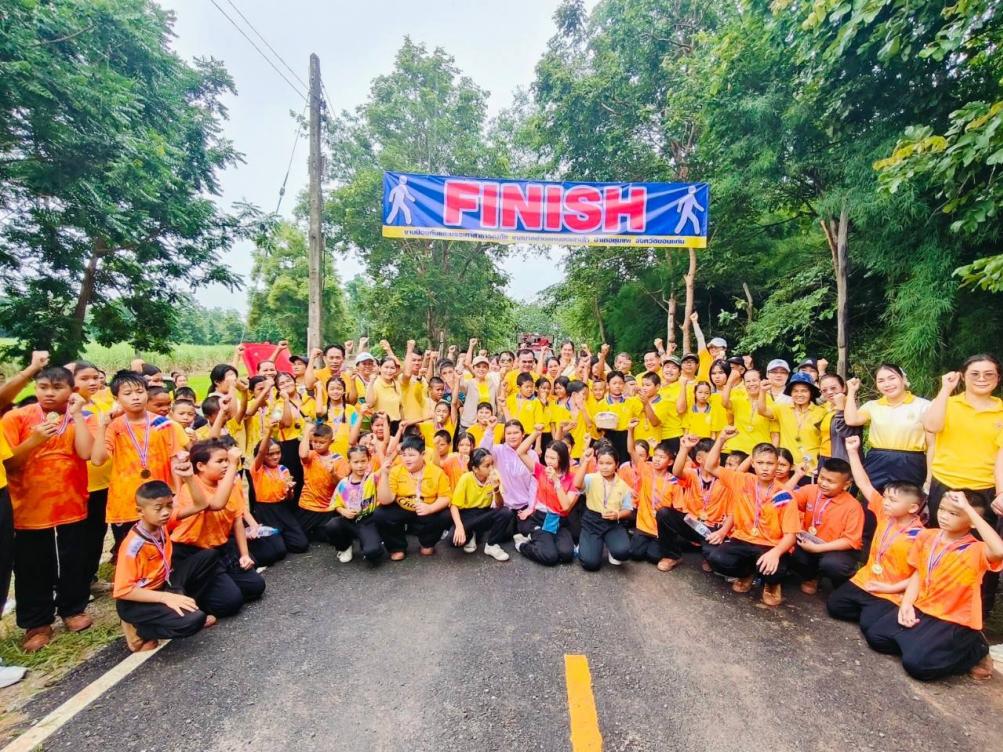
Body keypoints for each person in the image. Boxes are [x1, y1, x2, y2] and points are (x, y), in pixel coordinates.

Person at [861, 491, 1003, 681]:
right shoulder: (927, 536)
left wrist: (968, 508)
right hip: (924, 607)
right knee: (876, 637)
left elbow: (999, 550)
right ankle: (925, 644)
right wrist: (906, 604)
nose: (944, 516)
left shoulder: (978, 549)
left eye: (953, 513)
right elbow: (919, 573)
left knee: (917, 666)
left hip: (955, 619)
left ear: (972, 521)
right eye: (942, 509)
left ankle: (975, 650)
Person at [2, 365, 94, 652]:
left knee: (74, 558)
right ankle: (37, 622)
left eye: (57, 388)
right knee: (32, 565)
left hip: (71, 502)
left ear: (72, 390)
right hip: (29, 506)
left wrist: (77, 415)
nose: (49, 393)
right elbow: (8, 464)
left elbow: (86, 453)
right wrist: (34, 440)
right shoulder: (16, 418)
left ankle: (73, 608)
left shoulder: (80, 416)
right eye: (43, 387)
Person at [923, 355, 1003, 617]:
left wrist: (1001, 492)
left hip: (984, 490)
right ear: (963, 376)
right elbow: (931, 425)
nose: (982, 379)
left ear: (998, 378)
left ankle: (978, 610)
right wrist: (945, 389)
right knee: (938, 542)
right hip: (946, 484)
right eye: (975, 374)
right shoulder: (949, 402)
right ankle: (931, 598)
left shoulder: (1001, 411)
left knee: (983, 552)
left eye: (989, 374)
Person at [827, 436, 925, 631]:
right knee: (835, 606)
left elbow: (920, 575)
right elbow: (865, 484)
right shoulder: (884, 513)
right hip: (867, 580)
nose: (886, 502)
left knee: (868, 624)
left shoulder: (921, 536)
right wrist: (853, 452)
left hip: (891, 590)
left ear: (913, 508)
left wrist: (892, 588)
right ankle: (872, 612)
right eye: (886, 497)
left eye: (893, 501)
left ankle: (878, 613)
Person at [114, 476, 219, 652]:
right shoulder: (132, 546)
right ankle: (142, 631)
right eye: (158, 508)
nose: (165, 512)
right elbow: (122, 591)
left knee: (209, 556)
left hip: (164, 583)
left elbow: (201, 504)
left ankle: (186, 605)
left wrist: (188, 477)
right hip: (138, 601)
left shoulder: (162, 523)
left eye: (169, 505)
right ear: (140, 511)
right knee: (194, 621)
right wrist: (165, 598)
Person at [703, 428, 801, 607]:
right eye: (760, 463)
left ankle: (772, 584)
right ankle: (747, 573)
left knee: (775, 570)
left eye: (770, 463)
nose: (765, 467)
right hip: (743, 540)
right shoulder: (742, 480)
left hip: (771, 545)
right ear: (753, 463)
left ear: (777, 464)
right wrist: (721, 438)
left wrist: (775, 553)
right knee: (716, 558)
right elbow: (710, 467)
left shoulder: (784, 494)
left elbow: (791, 536)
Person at [90, 370, 179, 559]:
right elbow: (97, 460)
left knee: (161, 551)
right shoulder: (114, 426)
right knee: (130, 552)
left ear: (147, 392)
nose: (135, 397)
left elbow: (175, 459)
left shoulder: (163, 424)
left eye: (139, 392)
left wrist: (178, 494)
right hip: (126, 501)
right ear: (116, 398)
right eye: (128, 393)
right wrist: (103, 426)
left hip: (160, 499)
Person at [171, 440, 265, 617]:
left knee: (256, 586)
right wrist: (233, 465)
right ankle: (193, 599)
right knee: (231, 603)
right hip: (194, 552)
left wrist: (244, 555)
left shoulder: (228, 484)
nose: (225, 465)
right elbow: (216, 504)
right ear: (200, 466)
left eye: (227, 460)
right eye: (220, 461)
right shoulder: (191, 487)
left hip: (220, 548)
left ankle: (221, 585)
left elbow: (237, 520)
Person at [843, 364, 931, 490]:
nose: (887, 384)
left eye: (892, 378)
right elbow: (852, 420)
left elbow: (932, 445)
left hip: (910, 463)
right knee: (872, 498)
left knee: (906, 499)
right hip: (877, 460)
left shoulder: (924, 406)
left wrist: (929, 478)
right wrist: (851, 391)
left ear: (903, 379)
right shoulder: (872, 405)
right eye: (881, 381)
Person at [788, 458, 864, 594]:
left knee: (834, 565)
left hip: (834, 549)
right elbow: (783, 499)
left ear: (846, 485)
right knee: (788, 549)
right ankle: (811, 577)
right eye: (821, 477)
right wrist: (797, 476)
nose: (823, 483)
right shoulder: (810, 490)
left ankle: (843, 586)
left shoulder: (853, 507)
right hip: (808, 542)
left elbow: (850, 541)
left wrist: (818, 548)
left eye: (830, 481)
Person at [374, 433, 452, 560]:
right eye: (404, 455)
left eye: (411, 455)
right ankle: (397, 547)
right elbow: (385, 500)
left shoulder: (437, 472)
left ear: (423, 454)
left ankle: (427, 542)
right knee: (380, 513)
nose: (407, 459)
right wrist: (384, 474)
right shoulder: (396, 471)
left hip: (426, 509)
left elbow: (445, 497)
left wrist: (430, 508)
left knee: (446, 514)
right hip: (402, 507)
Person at [662, 435, 732, 572]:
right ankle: (672, 556)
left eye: (718, 456)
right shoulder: (692, 474)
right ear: (699, 459)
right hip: (691, 522)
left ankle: (706, 555)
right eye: (712, 456)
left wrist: (722, 532)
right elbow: (676, 472)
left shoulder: (726, 478)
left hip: (712, 528)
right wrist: (684, 448)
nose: (716, 459)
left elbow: (732, 512)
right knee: (664, 513)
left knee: (714, 557)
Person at [512, 428, 577, 566]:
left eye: (553, 458)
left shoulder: (572, 478)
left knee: (566, 554)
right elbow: (520, 452)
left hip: (559, 521)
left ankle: (543, 541)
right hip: (540, 519)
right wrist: (536, 433)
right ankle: (522, 545)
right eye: (547, 457)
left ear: (562, 458)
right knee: (550, 557)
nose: (548, 461)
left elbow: (566, 506)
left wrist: (556, 481)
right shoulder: (541, 470)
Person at [624, 425, 683, 569]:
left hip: (659, 531)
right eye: (655, 456)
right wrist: (630, 430)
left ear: (670, 462)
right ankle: (641, 541)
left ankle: (673, 552)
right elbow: (631, 450)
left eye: (661, 457)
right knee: (635, 554)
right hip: (643, 526)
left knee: (653, 556)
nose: (657, 460)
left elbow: (678, 511)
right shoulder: (646, 470)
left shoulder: (674, 482)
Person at [250, 421, 308, 554]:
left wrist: (290, 490)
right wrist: (270, 431)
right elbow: (261, 452)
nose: (275, 456)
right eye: (270, 454)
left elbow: (290, 498)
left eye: (278, 453)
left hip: (282, 508)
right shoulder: (258, 469)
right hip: (265, 510)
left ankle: (278, 537)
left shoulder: (283, 469)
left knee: (301, 545)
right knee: (279, 551)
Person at [574, 442, 634, 571]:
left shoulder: (623, 485)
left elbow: (628, 509)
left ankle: (611, 547)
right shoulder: (590, 478)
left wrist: (618, 515)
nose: (604, 467)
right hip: (592, 521)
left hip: (612, 523)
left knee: (623, 552)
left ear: (616, 464)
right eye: (601, 463)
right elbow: (577, 484)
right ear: (597, 464)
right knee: (590, 564)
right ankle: (587, 545)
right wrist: (586, 461)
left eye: (609, 463)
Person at [449, 448, 511, 561]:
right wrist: (459, 527)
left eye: (492, 464)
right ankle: (471, 534)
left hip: (484, 512)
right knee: (454, 542)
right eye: (487, 466)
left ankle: (491, 545)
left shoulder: (494, 476)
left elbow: (500, 505)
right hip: (467, 514)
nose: (491, 468)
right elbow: (454, 506)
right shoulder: (466, 478)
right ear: (475, 469)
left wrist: (496, 489)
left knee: (506, 512)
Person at [324, 445, 383, 564]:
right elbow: (336, 503)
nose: (360, 465)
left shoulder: (373, 479)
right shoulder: (344, 483)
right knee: (332, 525)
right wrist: (343, 511)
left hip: (368, 521)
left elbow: (385, 467)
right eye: (356, 462)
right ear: (349, 463)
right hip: (349, 521)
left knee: (372, 553)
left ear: (368, 460)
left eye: (363, 461)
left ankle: (372, 543)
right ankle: (345, 547)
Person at [757, 371, 826, 470]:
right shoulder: (782, 409)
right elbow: (762, 411)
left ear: (811, 393)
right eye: (795, 391)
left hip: (811, 467)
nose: (799, 394)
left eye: (804, 391)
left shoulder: (822, 412)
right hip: (786, 467)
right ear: (790, 393)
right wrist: (762, 391)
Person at [297, 422, 349, 542]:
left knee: (331, 536)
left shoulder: (338, 460)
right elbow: (303, 454)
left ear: (331, 441)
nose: (317, 445)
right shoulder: (311, 455)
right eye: (314, 441)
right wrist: (307, 432)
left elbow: (342, 485)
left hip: (328, 507)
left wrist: (333, 473)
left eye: (322, 442)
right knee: (300, 539)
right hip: (308, 505)